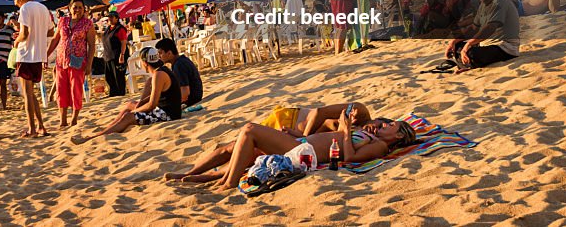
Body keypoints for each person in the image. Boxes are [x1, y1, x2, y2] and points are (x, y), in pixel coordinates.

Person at [165, 110, 415, 187]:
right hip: (300, 143)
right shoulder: (369, 134)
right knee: (235, 147)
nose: (383, 125)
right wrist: (298, 133)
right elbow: (327, 135)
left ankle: (227, 182)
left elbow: (350, 158)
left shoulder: (379, 145)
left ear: (399, 136)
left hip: (302, 153)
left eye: (392, 125)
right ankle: (201, 174)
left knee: (250, 130)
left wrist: (347, 130)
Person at [73, 48, 180, 144]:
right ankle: (109, 128)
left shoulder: (159, 75)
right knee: (130, 104)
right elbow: (152, 99)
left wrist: (134, 112)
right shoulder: (159, 72)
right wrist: (140, 101)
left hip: (167, 115)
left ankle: (93, 137)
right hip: (162, 109)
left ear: (144, 63)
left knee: (128, 116)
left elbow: (152, 105)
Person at [445, 0, 520, 69]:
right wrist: (454, 41)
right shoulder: (483, 5)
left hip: (505, 47)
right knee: (457, 46)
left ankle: (467, 62)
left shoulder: (499, 1)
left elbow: (490, 28)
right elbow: (473, 28)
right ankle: (466, 62)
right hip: (487, 44)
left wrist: (469, 44)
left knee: (471, 53)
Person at [11, 0, 52, 137]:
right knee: (31, 93)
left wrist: (16, 41)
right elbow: (50, 31)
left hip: (27, 54)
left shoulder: (25, 8)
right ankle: (41, 126)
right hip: (39, 55)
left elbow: (25, 34)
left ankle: (32, 129)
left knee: (27, 94)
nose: (15, 4)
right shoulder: (43, 8)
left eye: (15, 0)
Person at [47, 0, 96, 127]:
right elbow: (55, 39)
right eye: (75, 7)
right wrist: (45, 56)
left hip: (78, 61)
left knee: (76, 90)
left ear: (84, 9)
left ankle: (74, 119)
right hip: (61, 60)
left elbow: (92, 45)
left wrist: (89, 65)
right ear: (69, 8)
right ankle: (63, 120)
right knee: (61, 90)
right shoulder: (63, 21)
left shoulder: (88, 24)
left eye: (80, 7)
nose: (77, 10)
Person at [154, 37, 203, 108]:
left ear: (169, 53)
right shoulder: (181, 61)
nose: (159, 56)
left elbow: (185, 93)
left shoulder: (179, 65)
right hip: (195, 97)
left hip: (191, 100)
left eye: (160, 53)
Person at [102, 11, 129, 97]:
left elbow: (123, 42)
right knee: (109, 76)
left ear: (117, 18)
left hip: (117, 55)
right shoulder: (108, 29)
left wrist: (122, 55)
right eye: (108, 17)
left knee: (118, 76)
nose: (109, 19)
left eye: (111, 17)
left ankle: (120, 93)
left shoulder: (120, 29)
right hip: (108, 56)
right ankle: (113, 93)